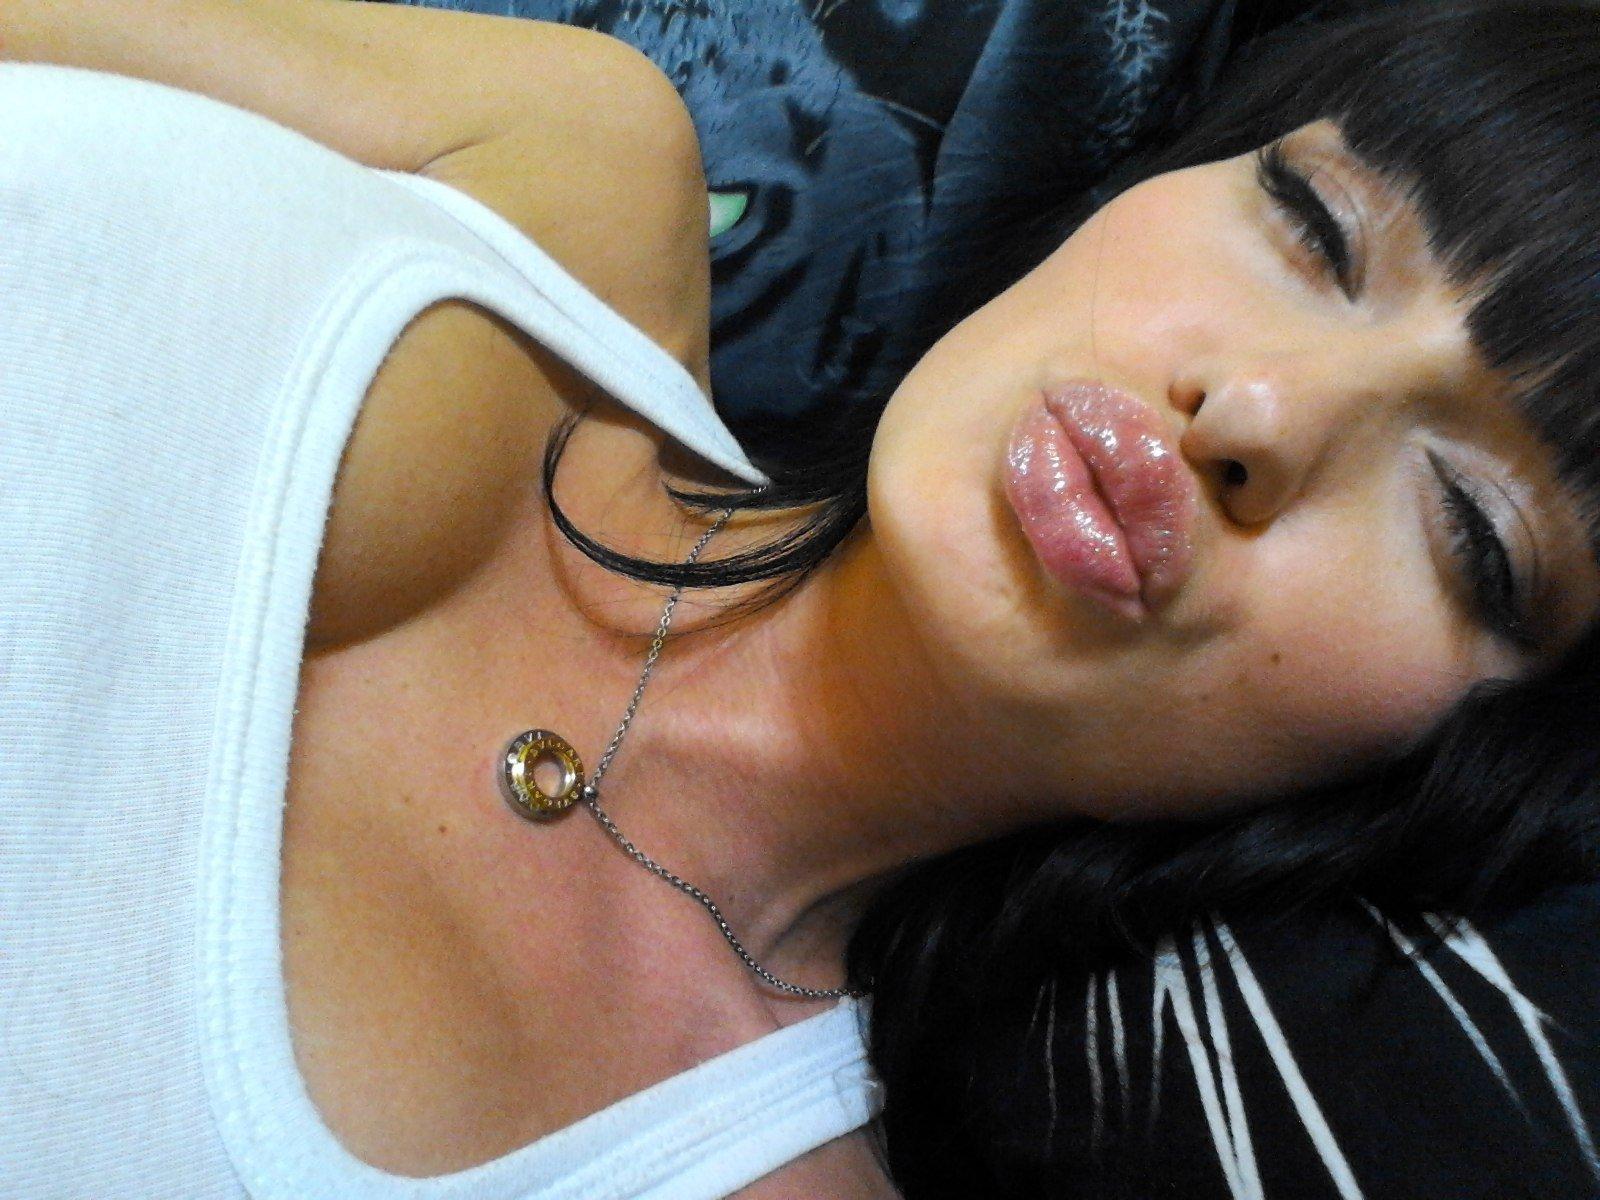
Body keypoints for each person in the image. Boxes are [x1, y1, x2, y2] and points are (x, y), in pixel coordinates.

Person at [3, 3, 1599, 1199]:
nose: (1256, 408)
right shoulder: (556, 156)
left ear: (1463, 757)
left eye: (1470, 527)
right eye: (1313, 224)